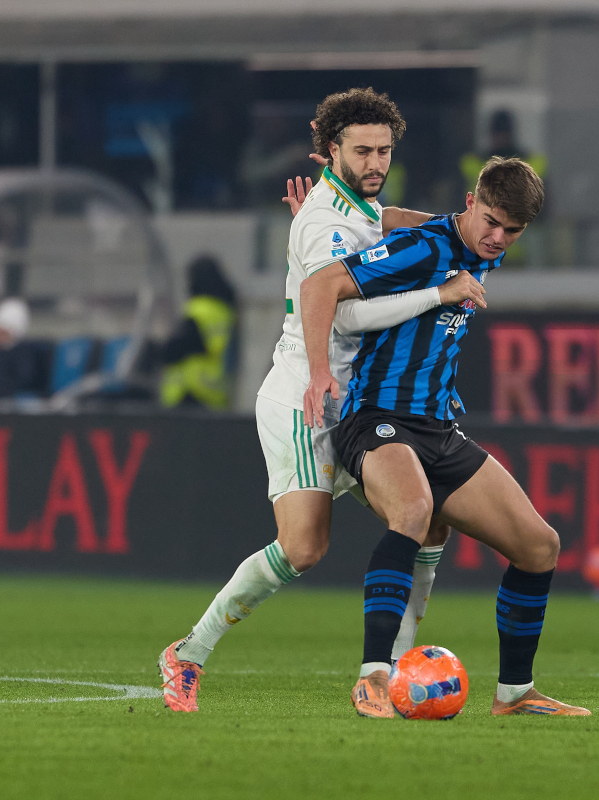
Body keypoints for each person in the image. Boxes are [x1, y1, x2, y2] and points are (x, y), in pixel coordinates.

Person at [157, 88, 484, 713]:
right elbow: (349, 315)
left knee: (427, 515)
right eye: (362, 150)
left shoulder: (355, 204)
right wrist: (441, 293)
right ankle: (188, 653)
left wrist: (450, 225)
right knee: (305, 547)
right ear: (330, 151)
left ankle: (390, 675)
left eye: (384, 150)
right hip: (306, 400)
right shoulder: (325, 222)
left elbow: (384, 219)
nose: (376, 162)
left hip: (354, 403)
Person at [300, 157, 590, 718]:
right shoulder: (428, 250)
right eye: (490, 221)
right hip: (374, 419)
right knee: (412, 509)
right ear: (470, 201)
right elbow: (325, 284)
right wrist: (319, 372)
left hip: (437, 427)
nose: (497, 238)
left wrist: (370, 214)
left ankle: (514, 695)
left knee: (540, 546)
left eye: (512, 231)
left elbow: (396, 218)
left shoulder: (478, 244)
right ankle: (372, 680)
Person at [159, 256, 238, 410]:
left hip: (190, 392)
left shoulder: (198, 309)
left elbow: (174, 350)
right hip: (216, 395)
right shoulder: (226, 312)